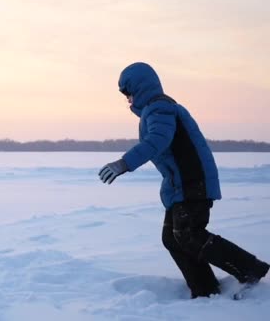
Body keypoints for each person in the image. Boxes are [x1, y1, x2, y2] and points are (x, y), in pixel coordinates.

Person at [98, 62, 269, 298]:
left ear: (141, 88)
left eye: (129, 92)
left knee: (189, 235)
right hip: (182, 185)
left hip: (193, 183)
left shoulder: (160, 109)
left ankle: (249, 269)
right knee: (173, 238)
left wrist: (124, 163)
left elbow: (157, 141)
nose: (127, 98)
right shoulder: (155, 110)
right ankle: (205, 289)